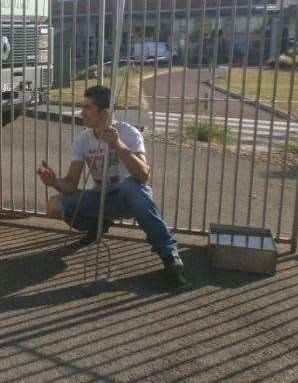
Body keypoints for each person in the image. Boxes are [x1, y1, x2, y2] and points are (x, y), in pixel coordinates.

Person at [37, 85, 188, 289]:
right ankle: (97, 225)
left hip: (128, 199)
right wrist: (54, 182)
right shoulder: (83, 140)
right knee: (55, 205)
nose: (82, 112)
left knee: (130, 186)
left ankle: (169, 255)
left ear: (105, 112)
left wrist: (118, 145)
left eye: (88, 107)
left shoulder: (128, 133)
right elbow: (71, 184)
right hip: (102, 198)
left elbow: (143, 175)